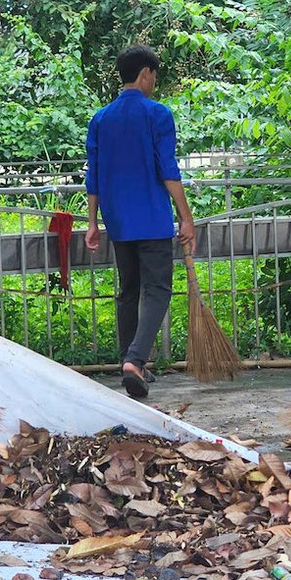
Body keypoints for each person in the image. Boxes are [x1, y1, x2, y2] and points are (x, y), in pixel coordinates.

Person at [84, 45, 195, 398]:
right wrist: (186, 217)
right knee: (158, 289)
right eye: (154, 76)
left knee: (128, 291)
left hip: (117, 220)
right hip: (151, 217)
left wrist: (92, 222)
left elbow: (95, 175)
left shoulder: (101, 119)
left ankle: (129, 364)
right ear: (145, 73)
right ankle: (135, 359)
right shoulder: (157, 114)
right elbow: (168, 170)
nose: (154, 83)